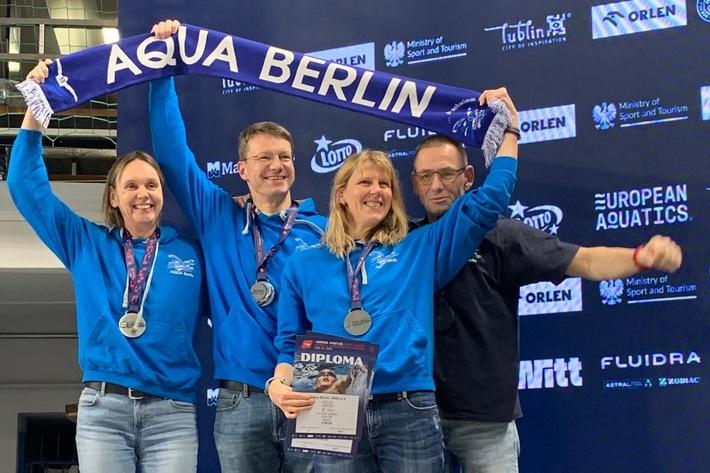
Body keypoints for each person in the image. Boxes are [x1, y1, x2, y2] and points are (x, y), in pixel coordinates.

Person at [409, 91, 682, 473]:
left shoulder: (501, 235)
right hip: (417, 417)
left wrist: (640, 257)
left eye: (447, 173)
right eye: (426, 176)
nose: (436, 185)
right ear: (415, 183)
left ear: (468, 178)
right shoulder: (399, 243)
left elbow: (584, 260)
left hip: (485, 421)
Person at [268, 87, 518, 473]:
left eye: (385, 184)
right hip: (331, 404)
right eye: (365, 183)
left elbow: (490, 201)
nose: (377, 191)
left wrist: (509, 132)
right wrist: (279, 385)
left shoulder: (419, 247)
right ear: (341, 195)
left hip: (407, 408)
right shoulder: (302, 265)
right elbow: (289, 344)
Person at [8, 61, 206, 473]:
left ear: (163, 194)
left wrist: (162, 69)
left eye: (151, 184)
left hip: (172, 413)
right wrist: (35, 109)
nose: (143, 194)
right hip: (103, 410)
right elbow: (26, 187)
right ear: (114, 197)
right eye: (131, 185)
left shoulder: (192, 252)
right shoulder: (87, 244)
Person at [150, 20, 324, 473]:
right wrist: (161, 68)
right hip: (241, 399)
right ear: (242, 169)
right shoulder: (219, 216)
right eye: (264, 157)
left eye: (284, 156)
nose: (276, 165)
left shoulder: (326, 231)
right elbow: (171, 153)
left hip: (311, 393)